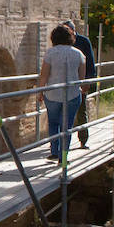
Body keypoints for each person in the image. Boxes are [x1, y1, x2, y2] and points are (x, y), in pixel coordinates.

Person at [38, 24, 86, 163]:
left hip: (52, 93)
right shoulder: (79, 54)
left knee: (53, 123)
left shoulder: (50, 53)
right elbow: (81, 77)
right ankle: (63, 158)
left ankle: (54, 151)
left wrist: (40, 92)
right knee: (67, 126)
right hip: (72, 94)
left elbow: (44, 75)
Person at [64, 20, 96, 148]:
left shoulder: (83, 41)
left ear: (73, 30)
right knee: (64, 114)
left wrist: (87, 80)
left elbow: (90, 62)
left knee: (81, 111)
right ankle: (62, 145)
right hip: (64, 83)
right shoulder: (61, 42)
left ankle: (83, 140)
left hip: (79, 82)